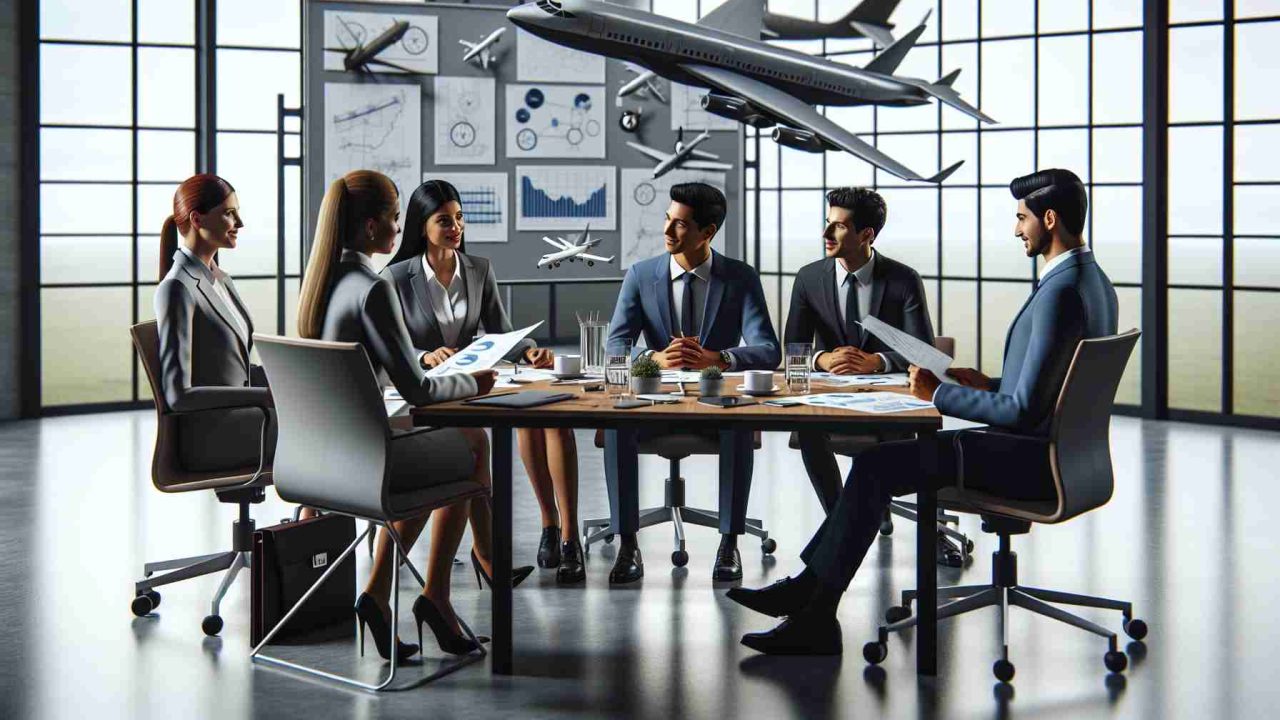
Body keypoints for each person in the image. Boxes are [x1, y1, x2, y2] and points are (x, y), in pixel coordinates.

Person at [730, 169, 1118, 655]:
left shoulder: (1060, 291)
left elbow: (1020, 411)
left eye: (1022, 219)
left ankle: (814, 609)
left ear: (1050, 218)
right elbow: (1048, 391)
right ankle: (810, 596)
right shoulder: (1094, 281)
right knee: (880, 466)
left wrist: (937, 393)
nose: (1018, 229)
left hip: (1029, 461)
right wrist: (989, 383)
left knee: (874, 467)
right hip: (1060, 455)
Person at [297, 169, 501, 662]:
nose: (397, 229)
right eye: (393, 219)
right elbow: (417, 386)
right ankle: (436, 596)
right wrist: (473, 382)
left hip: (323, 459)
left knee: (452, 444)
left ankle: (382, 592)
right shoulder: (373, 287)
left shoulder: (328, 281)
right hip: (368, 464)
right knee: (471, 445)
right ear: (370, 227)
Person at [382, 179, 583, 584]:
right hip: (423, 389)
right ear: (422, 225)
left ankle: (500, 551)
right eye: (444, 220)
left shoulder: (478, 270)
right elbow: (391, 344)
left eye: (459, 218)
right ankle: (487, 556)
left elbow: (500, 331)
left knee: (527, 420)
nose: (456, 227)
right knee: (474, 445)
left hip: (469, 383)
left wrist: (527, 350)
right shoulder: (395, 277)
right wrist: (425, 355)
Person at [604, 182, 780, 583]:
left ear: (708, 231)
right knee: (617, 423)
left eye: (681, 225)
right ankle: (628, 543)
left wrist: (719, 358)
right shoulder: (640, 274)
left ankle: (729, 542)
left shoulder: (740, 278)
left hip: (713, 401)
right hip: (654, 402)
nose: (668, 231)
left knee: (738, 423)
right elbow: (615, 345)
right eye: (668, 220)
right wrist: (653, 358)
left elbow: (769, 349)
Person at [783, 187, 961, 565]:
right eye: (827, 223)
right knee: (807, 428)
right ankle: (840, 523)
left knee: (903, 442)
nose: (826, 235)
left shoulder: (902, 280)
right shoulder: (809, 278)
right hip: (827, 400)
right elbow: (791, 352)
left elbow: (923, 354)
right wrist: (822, 359)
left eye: (839, 227)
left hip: (888, 405)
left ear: (867, 235)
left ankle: (847, 532)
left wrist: (877, 361)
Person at [154, 174, 275, 473]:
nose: (240, 223)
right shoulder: (178, 287)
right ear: (197, 219)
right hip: (214, 436)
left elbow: (235, 365)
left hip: (245, 419)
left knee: (327, 420)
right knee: (328, 433)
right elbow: (178, 395)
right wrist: (265, 396)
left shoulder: (220, 279)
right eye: (229, 213)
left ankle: (316, 516)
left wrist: (290, 377)